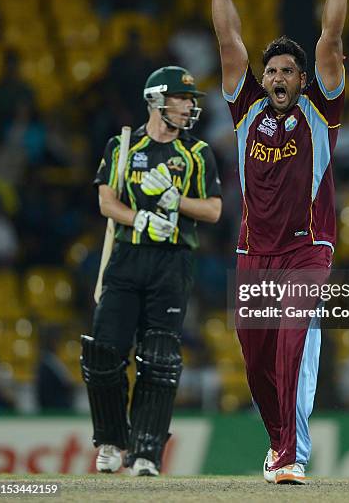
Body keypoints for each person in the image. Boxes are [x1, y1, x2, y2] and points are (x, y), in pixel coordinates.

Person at [203, 0, 349, 484]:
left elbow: (331, 41)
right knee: (255, 357)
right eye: (270, 69)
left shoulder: (321, 112)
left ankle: (290, 456)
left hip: (306, 248)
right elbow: (227, 41)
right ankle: (276, 443)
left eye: (287, 70)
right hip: (253, 249)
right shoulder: (245, 111)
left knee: (292, 340)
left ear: (302, 79)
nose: (276, 76)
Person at [80, 66, 222, 476]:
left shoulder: (196, 153)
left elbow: (213, 209)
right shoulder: (122, 145)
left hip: (172, 263)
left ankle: (146, 451)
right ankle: (110, 440)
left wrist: (177, 201)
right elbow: (106, 201)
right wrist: (138, 219)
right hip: (126, 258)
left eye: (191, 100)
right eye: (182, 98)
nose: (190, 107)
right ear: (157, 100)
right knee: (104, 352)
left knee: (160, 358)